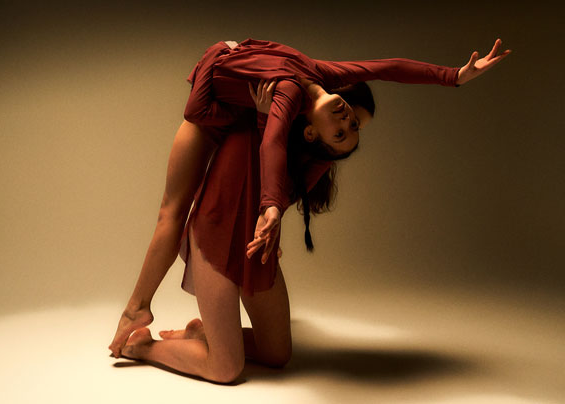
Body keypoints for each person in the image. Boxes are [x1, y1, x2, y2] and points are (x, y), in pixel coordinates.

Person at [109, 38, 511, 383]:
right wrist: (452, 76)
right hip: (214, 210)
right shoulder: (304, 86)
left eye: (347, 132)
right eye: (352, 120)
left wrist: (271, 211)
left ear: (313, 136)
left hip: (250, 230)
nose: (349, 121)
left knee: (278, 355)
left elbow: (274, 153)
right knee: (226, 367)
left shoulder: (296, 133)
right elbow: (387, 67)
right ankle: (141, 339)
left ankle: (205, 333)